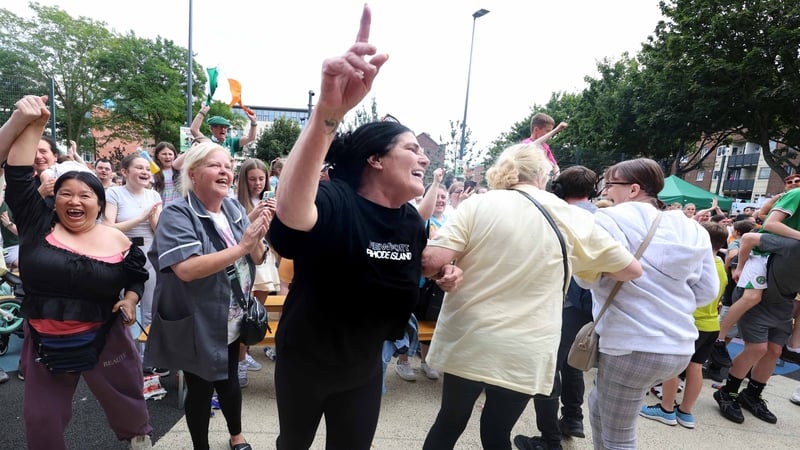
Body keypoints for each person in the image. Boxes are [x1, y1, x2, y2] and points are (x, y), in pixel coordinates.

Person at [268, 7, 461, 448]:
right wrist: (327, 114)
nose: (425, 158)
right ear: (375, 159)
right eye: (412, 149)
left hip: (365, 365)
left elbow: (398, 264)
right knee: (292, 445)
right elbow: (294, 213)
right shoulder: (337, 201)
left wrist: (439, 272)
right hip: (306, 360)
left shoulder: (411, 221)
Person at [422, 147, 642, 450]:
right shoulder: (570, 215)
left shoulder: (479, 204)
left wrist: (447, 270)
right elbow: (630, 269)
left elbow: (432, 260)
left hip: (470, 336)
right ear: (543, 176)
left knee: (448, 422)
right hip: (527, 346)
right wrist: (586, 270)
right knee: (497, 432)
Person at [4, 94, 152, 449]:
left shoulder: (118, 240)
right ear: (54, 202)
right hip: (46, 340)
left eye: (85, 195)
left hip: (106, 337)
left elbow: (136, 276)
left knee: (129, 408)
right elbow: (19, 174)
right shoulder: (37, 224)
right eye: (65, 194)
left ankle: (138, 440)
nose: (74, 200)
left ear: (100, 204)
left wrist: (130, 301)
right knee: (41, 419)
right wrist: (34, 123)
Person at [580, 158, 719, 450]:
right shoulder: (692, 228)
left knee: (620, 437)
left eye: (610, 184)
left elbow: (586, 279)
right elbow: (708, 290)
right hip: (679, 346)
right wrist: (667, 302)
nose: (605, 191)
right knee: (598, 405)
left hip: (631, 346)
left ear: (633, 189)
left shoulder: (609, 219)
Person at [143, 140, 270, 450]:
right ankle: (202, 446)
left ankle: (236, 435)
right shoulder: (177, 214)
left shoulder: (233, 207)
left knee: (228, 379)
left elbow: (256, 258)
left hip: (232, 315)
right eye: (216, 165)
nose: (225, 171)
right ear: (194, 172)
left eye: (228, 166)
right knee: (199, 388)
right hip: (197, 321)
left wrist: (256, 239)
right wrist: (242, 245)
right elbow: (186, 269)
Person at [514, 165, 603, 450]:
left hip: (564, 302)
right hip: (594, 306)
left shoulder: (557, 216)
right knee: (572, 360)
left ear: (558, 190)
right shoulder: (604, 217)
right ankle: (573, 418)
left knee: (549, 366)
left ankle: (550, 439)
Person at [639, 221, 728, 429]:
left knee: (674, 368)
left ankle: (666, 409)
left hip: (692, 323)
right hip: (711, 324)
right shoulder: (720, 267)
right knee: (695, 367)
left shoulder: (699, 266)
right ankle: (686, 412)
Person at [103, 153, 163, 373]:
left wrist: (154, 220)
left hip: (149, 252)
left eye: (147, 169)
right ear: (125, 172)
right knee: (123, 306)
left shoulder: (153, 195)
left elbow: (160, 231)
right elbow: (108, 227)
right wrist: (141, 218)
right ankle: (123, 356)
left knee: (150, 308)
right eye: (139, 168)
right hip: (122, 251)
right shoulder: (114, 193)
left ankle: (147, 358)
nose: (145, 172)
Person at [234, 158, 280, 387]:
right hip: (243, 262)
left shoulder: (271, 199)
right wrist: (253, 216)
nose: (257, 183)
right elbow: (233, 231)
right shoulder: (234, 203)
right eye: (252, 179)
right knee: (243, 315)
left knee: (255, 315)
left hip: (265, 259)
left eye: (261, 178)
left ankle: (245, 353)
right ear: (244, 180)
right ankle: (239, 362)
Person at [190, 104, 258, 157]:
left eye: (225, 127)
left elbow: (251, 138)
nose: (223, 129)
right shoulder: (207, 142)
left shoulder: (231, 142)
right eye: (220, 127)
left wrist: (253, 122)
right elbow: (194, 130)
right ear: (211, 128)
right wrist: (202, 112)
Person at [151, 142, 182, 206]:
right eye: (164, 154)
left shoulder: (180, 171)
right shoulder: (153, 172)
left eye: (170, 154)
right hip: (161, 209)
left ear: (174, 156)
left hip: (178, 209)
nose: (167, 157)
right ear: (157, 155)